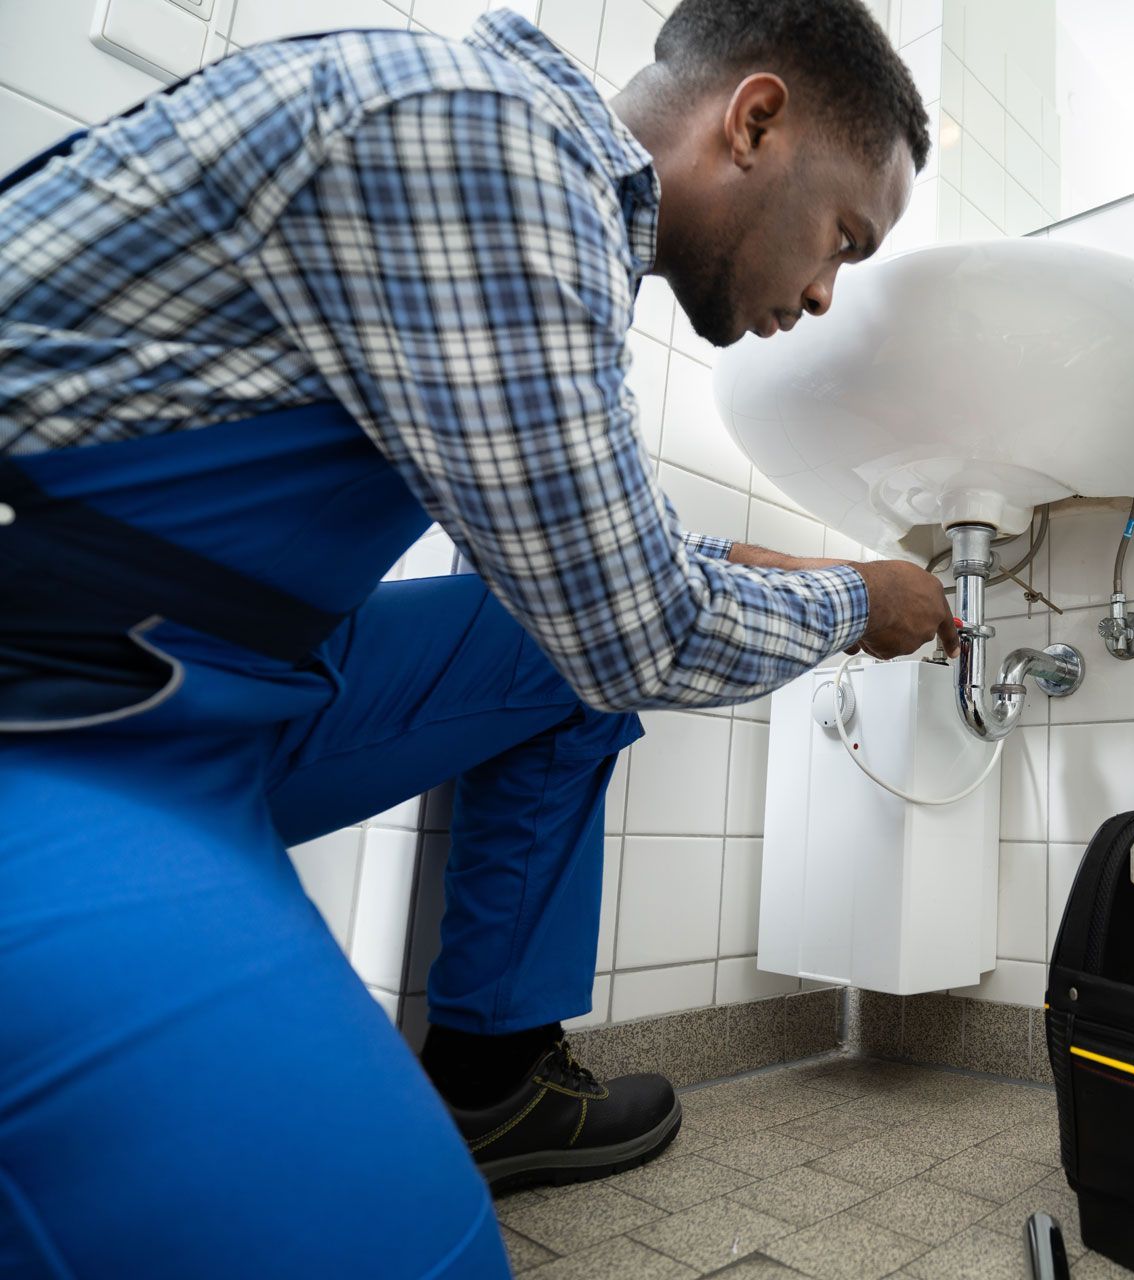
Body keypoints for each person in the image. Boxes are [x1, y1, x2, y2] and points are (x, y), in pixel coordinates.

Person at [0, 1, 951, 1274]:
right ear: (756, 119)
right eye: (843, 236)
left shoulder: (542, 185)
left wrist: (741, 568)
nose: (828, 290)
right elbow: (638, 628)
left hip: (201, 692)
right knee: (424, 1252)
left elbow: (588, 574)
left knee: (549, 652)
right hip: (47, 714)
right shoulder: (493, 143)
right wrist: (859, 601)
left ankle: (493, 1079)